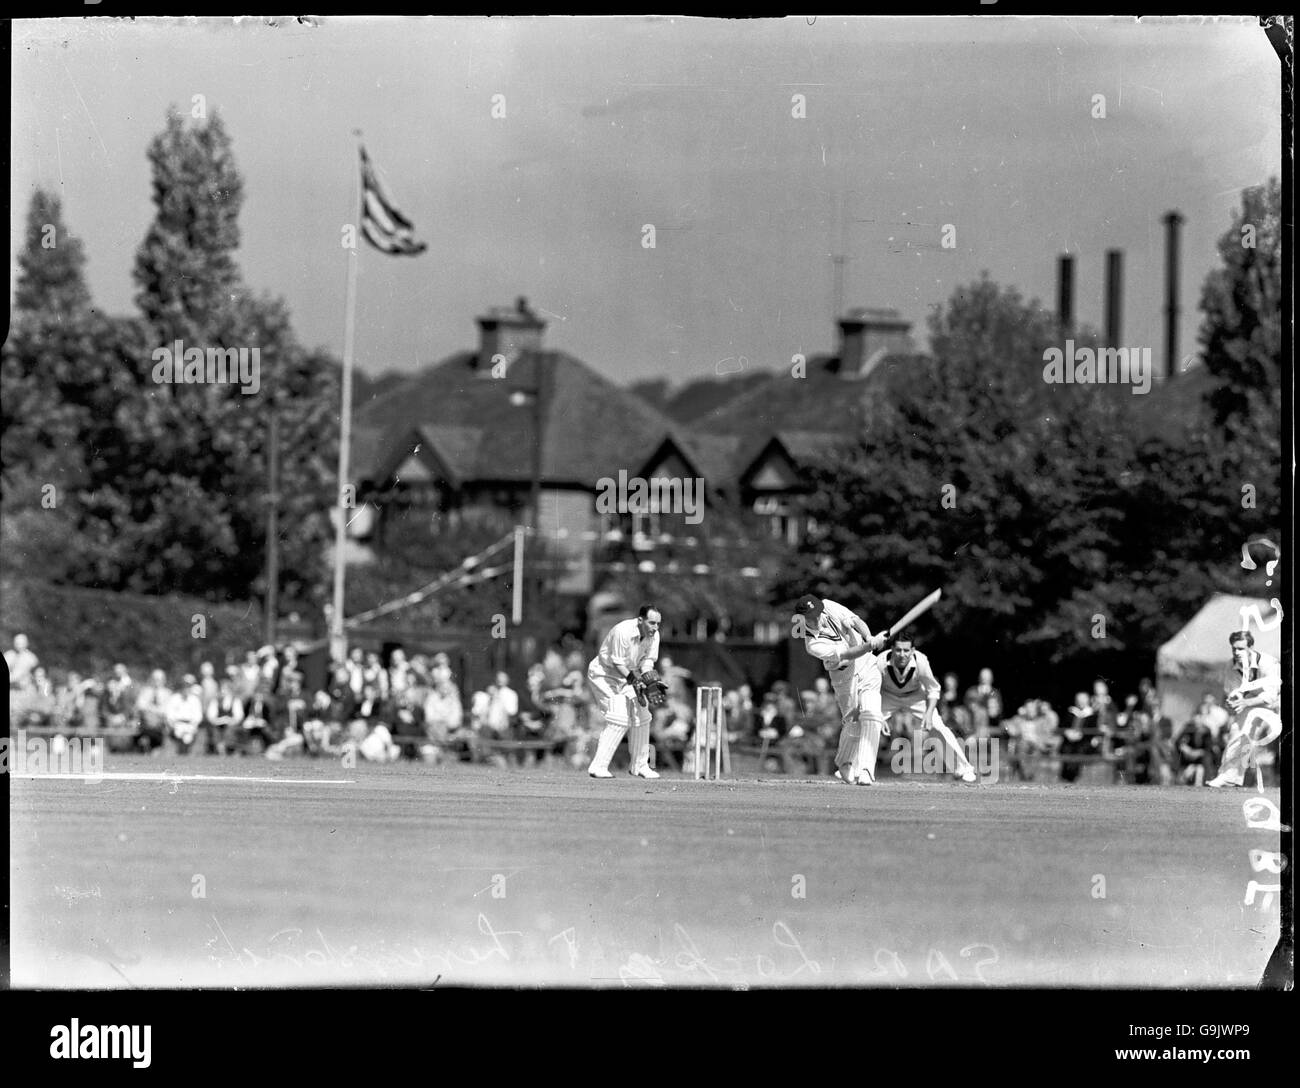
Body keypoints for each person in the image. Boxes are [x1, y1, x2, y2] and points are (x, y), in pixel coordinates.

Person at [791, 593, 889, 785]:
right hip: (844, 678)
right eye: (811, 616)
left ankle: (866, 769)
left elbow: (855, 620)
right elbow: (846, 654)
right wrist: (869, 645)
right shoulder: (812, 644)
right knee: (853, 722)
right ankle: (844, 763)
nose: (817, 618)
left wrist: (868, 636)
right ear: (802, 618)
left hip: (868, 665)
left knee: (872, 714)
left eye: (817, 613)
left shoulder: (828, 606)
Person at [876, 636, 977, 782]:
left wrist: (929, 714)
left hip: (916, 697)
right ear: (892, 650)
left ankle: (964, 768)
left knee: (939, 726)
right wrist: (878, 716)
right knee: (868, 721)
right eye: (898, 650)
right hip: (888, 696)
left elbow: (933, 689)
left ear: (912, 651)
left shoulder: (921, 661)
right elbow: (872, 689)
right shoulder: (880, 662)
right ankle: (855, 766)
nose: (902, 654)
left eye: (906, 650)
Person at [585, 605, 663, 779]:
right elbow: (618, 663)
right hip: (604, 675)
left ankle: (640, 766)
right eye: (652, 623)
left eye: (658, 624)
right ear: (640, 620)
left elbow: (647, 661)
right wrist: (636, 681)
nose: (655, 628)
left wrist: (649, 680)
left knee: (643, 715)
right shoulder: (623, 631)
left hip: (628, 676)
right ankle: (598, 767)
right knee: (619, 717)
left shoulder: (654, 636)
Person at [1207, 629, 1282, 789]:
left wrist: (1246, 703)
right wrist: (1233, 701)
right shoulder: (1230, 666)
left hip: (1280, 704)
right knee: (1237, 731)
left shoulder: (1268, 663)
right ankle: (1229, 777)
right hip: (1254, 705)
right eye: (1234, 648)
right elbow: (1234, 693)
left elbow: (1272, 696)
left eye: (1240, 648)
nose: (1236, 652)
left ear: (1251, 647)